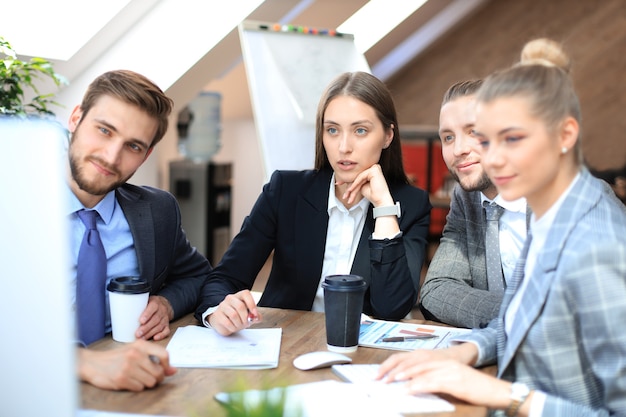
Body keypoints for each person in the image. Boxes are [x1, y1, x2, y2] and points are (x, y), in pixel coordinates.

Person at [378, 38, 626, 416]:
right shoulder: (547, 212)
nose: (485, 155)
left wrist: (506, 396)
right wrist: (464, 353)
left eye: (511, 138)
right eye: (490, 139)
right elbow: (520, 315)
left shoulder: (597, 242)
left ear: (564, 136)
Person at [195, 71, 431, 336]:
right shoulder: (286, 190)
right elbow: (225, 278)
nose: (344, 146)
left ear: (387, 136)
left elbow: (393, 308)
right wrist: (217, 312)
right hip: (285, 345)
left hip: (359, 355)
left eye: (360, 130)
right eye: (332, 130)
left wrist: (384, 210)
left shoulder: (411, 204)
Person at [67, 70, 211, 391]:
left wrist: (166, 303)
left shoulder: (157, 210)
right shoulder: (13, 205)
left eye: (132, 146)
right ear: (76, 118)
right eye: (104, 130)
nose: (111, 156)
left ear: (146, 155)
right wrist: (83, 363)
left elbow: (199, 277)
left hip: (133, 387)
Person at [419, 80, 528, 328]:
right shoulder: (466, 198)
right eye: (448, 137)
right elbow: (436, 290)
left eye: (474, 132)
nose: (458, 149)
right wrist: (521, 317)